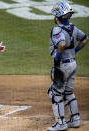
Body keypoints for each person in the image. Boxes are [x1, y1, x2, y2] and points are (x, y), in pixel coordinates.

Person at [47, 1, 89, 130]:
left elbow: (61, 44)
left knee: (55, 93)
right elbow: (85, 39)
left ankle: (61, 123)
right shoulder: (73, 27)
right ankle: (75, 119)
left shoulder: (57, 29)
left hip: (63, 66)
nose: (54, 17)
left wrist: (57, 57)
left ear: (58, 16)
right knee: (68, 92)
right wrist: (75, 51)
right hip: (73, 63)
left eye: (55, 15)